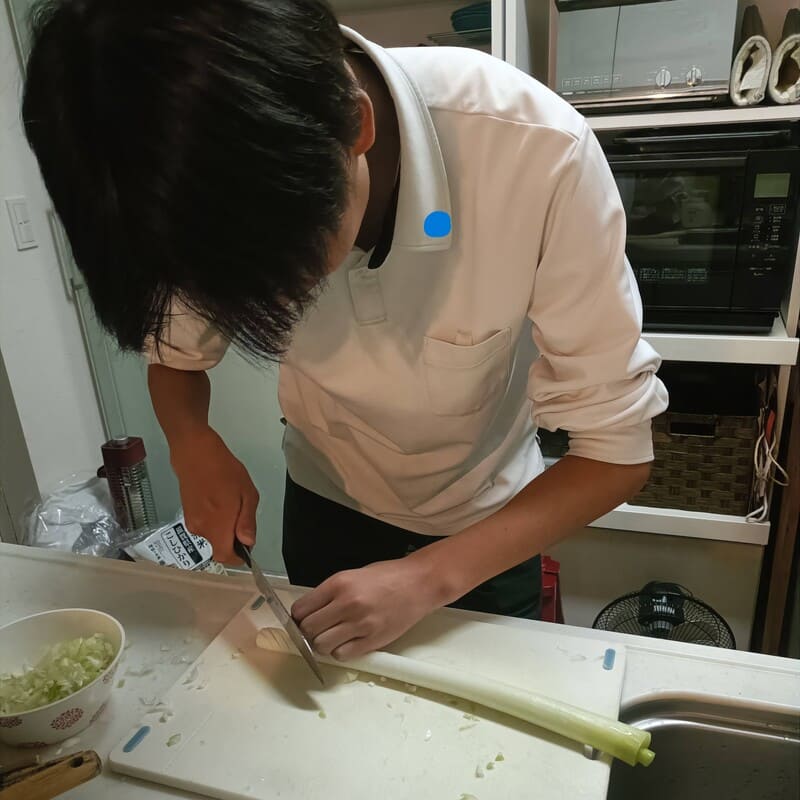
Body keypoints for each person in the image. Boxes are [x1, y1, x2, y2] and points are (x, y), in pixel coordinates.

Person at [22, 0, 668, 660]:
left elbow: (614, 453)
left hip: (489, 532)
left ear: (356, 126)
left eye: (270, 282)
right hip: (324, 505)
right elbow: (176, 358)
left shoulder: (535, 150)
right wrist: (192, 441)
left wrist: (427, 578)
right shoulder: (188, 176)